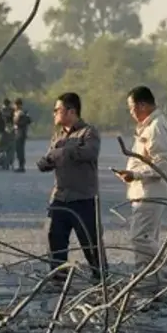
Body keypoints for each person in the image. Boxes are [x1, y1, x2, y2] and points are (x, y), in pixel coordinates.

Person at [36, 92, 104, 282]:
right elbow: (48, 160)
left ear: (71, 111)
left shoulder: (89, 132)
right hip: (60, 196)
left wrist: (63, 150)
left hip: (83, 197)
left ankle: (101, 280)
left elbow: (90, 153)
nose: (54, 113)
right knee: (54, 238)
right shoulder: (58, 135)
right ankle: (58, 279)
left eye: (57, 110)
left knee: (90, 243)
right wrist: (48, 159)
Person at [114, 86, 167, 279]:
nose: (131, 113)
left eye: (132, 108)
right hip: (142, 192)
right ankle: (147, 280)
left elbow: (162, 165)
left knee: (140, 238)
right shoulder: (148, 126)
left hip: (151, 193)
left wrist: (135, 174)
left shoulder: (156, 127)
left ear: (142, 105)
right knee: (147, 240)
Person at [13, 99, 31, 172]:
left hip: (21, 133)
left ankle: (21, 166)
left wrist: (18, 121)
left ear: (18, 105)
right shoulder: (16, 112)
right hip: (17, 132)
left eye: (15, 105)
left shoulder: (22, 112)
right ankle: (20, 165)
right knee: (18, 150)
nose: (14, 106)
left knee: (20, 150)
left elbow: (28, 121)